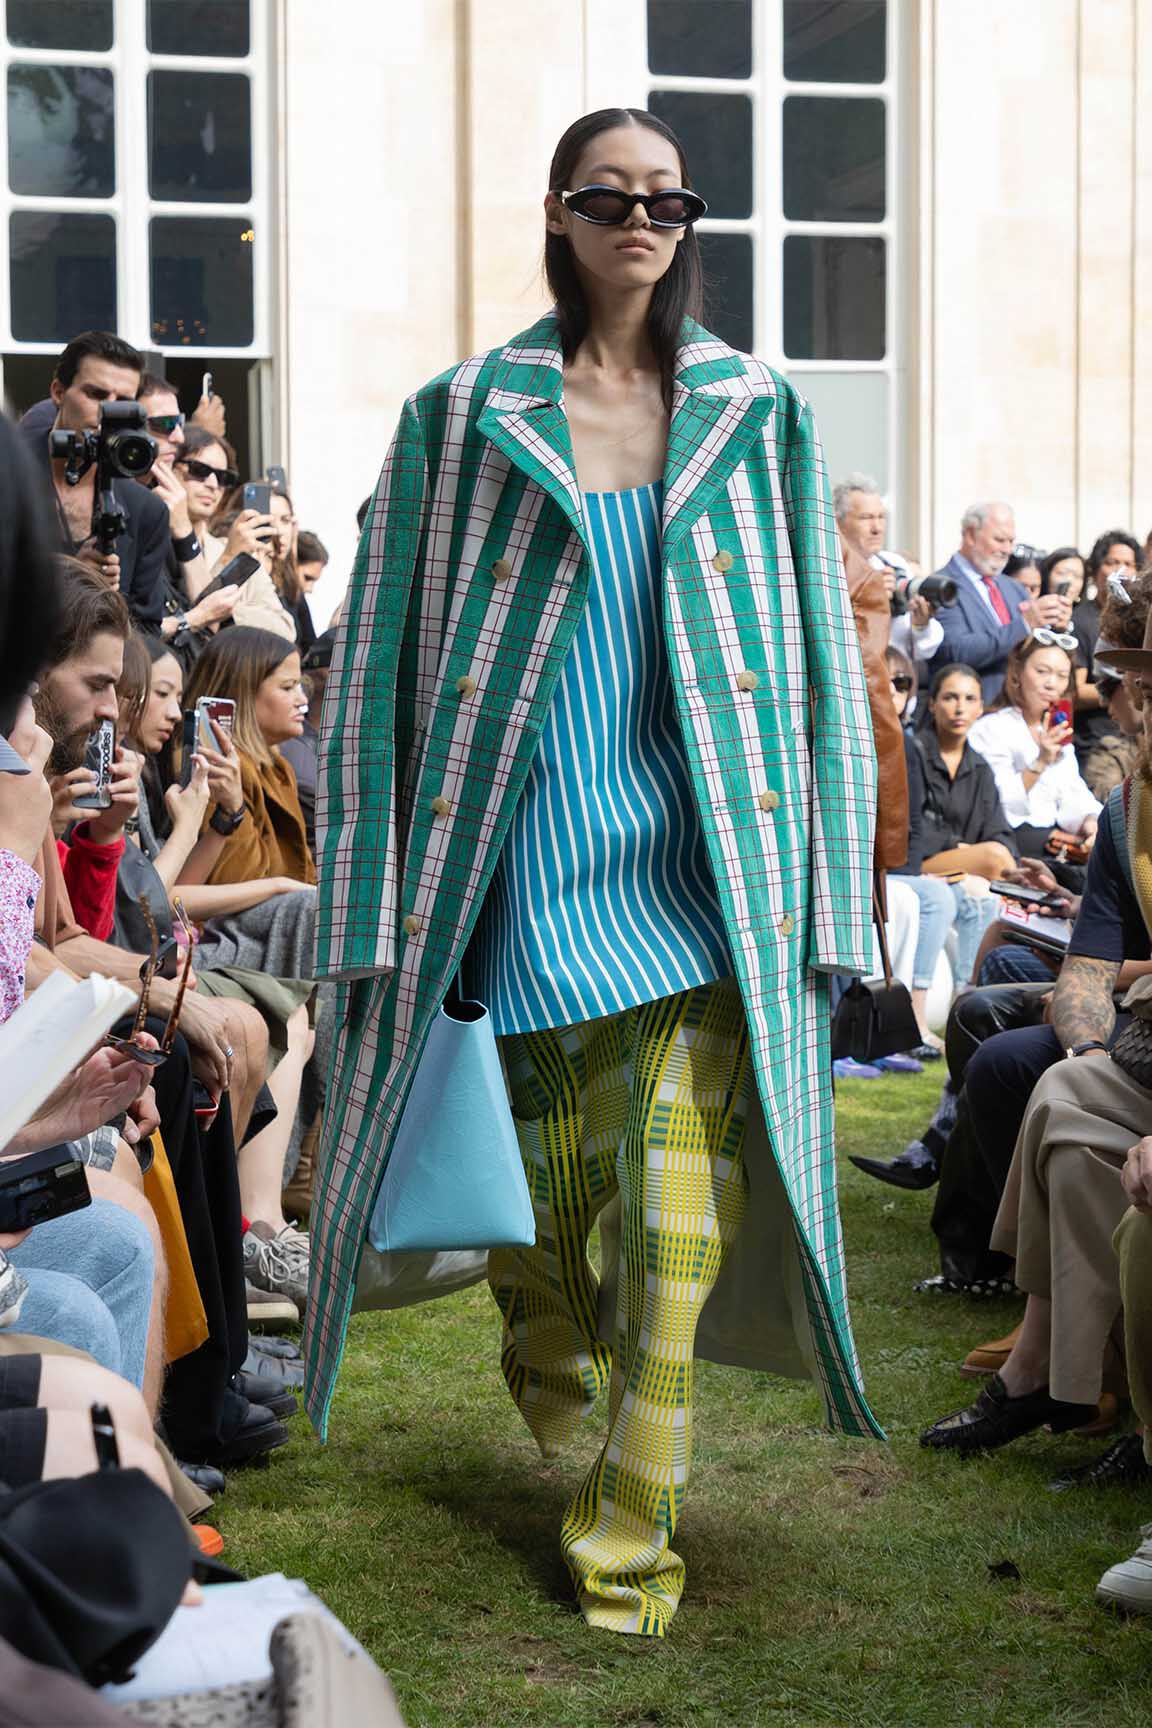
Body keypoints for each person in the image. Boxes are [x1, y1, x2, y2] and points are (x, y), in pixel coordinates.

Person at [310, 103, 881, 1638]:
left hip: (706, 877)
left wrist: (836, 893)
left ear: (689, 224)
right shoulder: (461, 415)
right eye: (610, 196)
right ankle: (557, 1377)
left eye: (668, 200)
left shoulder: (755, 410)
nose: (642, 220)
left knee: (677, 1231)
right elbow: (379, 661)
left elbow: (821, 659)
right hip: (520, 878)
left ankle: (630, 1539)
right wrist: (367, 901)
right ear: (558, 214)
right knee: (551, 1232)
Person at [19, 332, 171, 628]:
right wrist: (70, 581)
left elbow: (147, 631)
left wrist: (112, 608)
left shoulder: (146, 511)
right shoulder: (10, 479)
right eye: (96, 395)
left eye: (123, 402)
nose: (108, 413)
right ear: (58, 392)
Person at [914, 664, 1018, 984]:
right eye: (950, 697)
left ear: (980, 708)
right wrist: (956, 846)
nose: (960, 708)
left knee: (993, 871)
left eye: (970, 699)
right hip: (917, 862)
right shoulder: (913, 754)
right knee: (994, 859)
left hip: (966, 870)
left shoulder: (980, 768)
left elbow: (1000, 830)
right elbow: (908, 829)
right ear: (933, 704)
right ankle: (970, 991)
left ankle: (970, 989)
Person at [967, 632, 1100, 876]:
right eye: (1042, 672)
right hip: (1009, 841)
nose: (1051, 684)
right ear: (1017, 674)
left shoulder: (1056, 731)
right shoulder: (990, 728)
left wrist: (1089, 822)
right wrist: (1041, 761)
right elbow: (996, 800)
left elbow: (1072, 791)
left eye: (1061, 676)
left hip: (1055, 842)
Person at [928, 502, 1072, 702]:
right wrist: (1024, 624)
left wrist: (1055, 627)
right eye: (999, 540)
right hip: (975, 708)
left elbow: (1033, 651)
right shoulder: (942, 586)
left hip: (1019, 710)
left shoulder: (1013, 587)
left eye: (1011, 541)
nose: (1007, 549)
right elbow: (955, 651)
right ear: (970, 535)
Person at [886, 646, 956, 1050]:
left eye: (902, 683)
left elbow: (912, 823)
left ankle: (955, 1012)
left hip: (900, 868)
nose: (893, 691)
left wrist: (910, 872)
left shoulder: (906, 745)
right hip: (866, 871)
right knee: (934, 897)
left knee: (972, 900)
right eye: (885, 681)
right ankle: (911, 1019)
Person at [171, 428, 293, 639]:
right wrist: (228, 559)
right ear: (172, 469)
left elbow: (285, 629)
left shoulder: (233, 547)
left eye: (222, 477)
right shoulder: (152, 543)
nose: (213, 484)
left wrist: (227, 612)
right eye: (199, 470)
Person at [832, 474, 940, 670]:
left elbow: (920, 650)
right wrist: (868, 594)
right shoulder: (829, 570)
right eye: (866, 518)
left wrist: (921, 624)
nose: (877, 528)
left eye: (881, 517)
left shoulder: (893, 563)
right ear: (838, 523)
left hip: (897, 679)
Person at [1069, 528, 1144, 763]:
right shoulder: (1080, 620)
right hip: (1098, 742)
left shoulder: (1141, 620)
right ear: (1095, 570)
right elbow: (1076, 691)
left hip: (1138, 738)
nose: (1121, 570)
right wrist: (1120, 686)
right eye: (1112, 562)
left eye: (1128, 564)